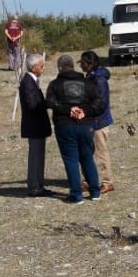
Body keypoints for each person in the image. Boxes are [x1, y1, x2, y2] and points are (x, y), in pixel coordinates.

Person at [43, 54, 102, 203]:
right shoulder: (87, 83)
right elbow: (99, 104)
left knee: (71, 160)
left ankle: (77, 195)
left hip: (64, 126)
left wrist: (66, 109)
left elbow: (49, 102)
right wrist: (85, 112)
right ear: (73, 67)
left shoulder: (55, 85)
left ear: (60, 68)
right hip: (86, 125)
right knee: (87, 157)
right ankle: (95, 192)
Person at [80, 50, 115, 195]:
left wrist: (86, 112)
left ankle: (107, 182)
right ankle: (88, 180)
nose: (81, 66)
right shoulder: (91, 77)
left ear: (91, 64)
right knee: (87, 152)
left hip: (99, 123)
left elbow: (101, 104)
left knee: (101, 153)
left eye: (83, 63)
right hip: (91, 121)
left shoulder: (99, 81)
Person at [19, 52, 53, 196]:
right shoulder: (27, 82)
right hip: (34, 127)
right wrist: (48, 103)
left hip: (38, 126)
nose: (43, 68)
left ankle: (39, 184)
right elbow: (33, 104)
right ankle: (34, 187)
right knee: (35, 158)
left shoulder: (32, 81)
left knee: (39, 157)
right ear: (33, 68)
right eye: (41, 66)